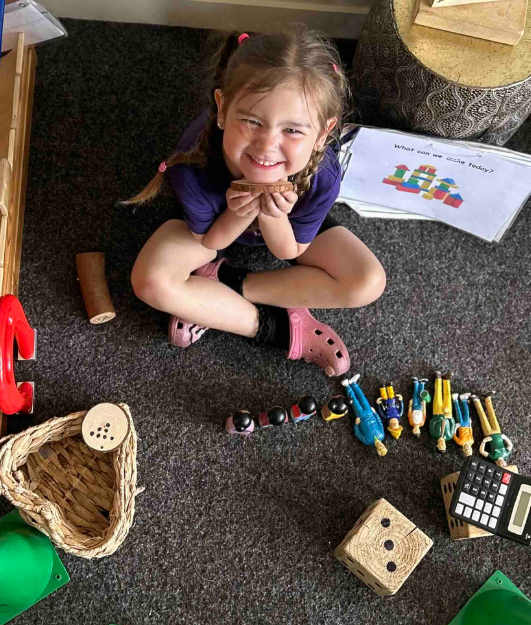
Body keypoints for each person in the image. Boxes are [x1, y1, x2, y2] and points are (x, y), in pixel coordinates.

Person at [125, 24, 386, 376]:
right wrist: (237, 214)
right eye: (252, 122)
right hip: (213, 226)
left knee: (367, 281)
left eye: (292, 130)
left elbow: (288, 251)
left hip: (289, 231)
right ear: (222, 109)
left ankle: (226, 288)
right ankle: (273, 327)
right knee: (149, 280)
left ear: (324, 134)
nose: (266, 146)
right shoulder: (192, 162)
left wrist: (275, 217)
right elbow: (209, 239)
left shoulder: (322, 174)